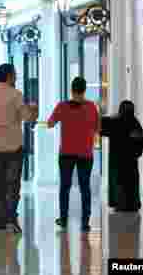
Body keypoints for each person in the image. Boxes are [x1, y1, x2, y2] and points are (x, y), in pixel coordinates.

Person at [0, 63, 37, 233]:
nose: (16, 77)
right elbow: (27, 117)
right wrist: (32, 109)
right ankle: (11, 219)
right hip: (13, 148)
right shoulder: (16, 95)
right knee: (13, 185)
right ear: (9, 76)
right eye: (15, 74)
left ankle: (0, 222)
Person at [47, 77, 100, 232]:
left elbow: (50, 123)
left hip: (67, 153)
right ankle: (85, 222)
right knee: (85, 187)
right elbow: (97, 128)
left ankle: (63, 220)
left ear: (71, 89)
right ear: (84, 90)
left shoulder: (62, 106)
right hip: (85, 153)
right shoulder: (91, 107)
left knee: (65, 186)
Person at [102, 100, 143, 212]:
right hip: (131, 163)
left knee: (118, 182)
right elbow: (139, 146)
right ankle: (132, 204)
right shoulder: (135, 123)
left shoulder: (115, 122)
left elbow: (100, 127)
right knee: (131, 183)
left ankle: (119, 204)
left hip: (117, 162)